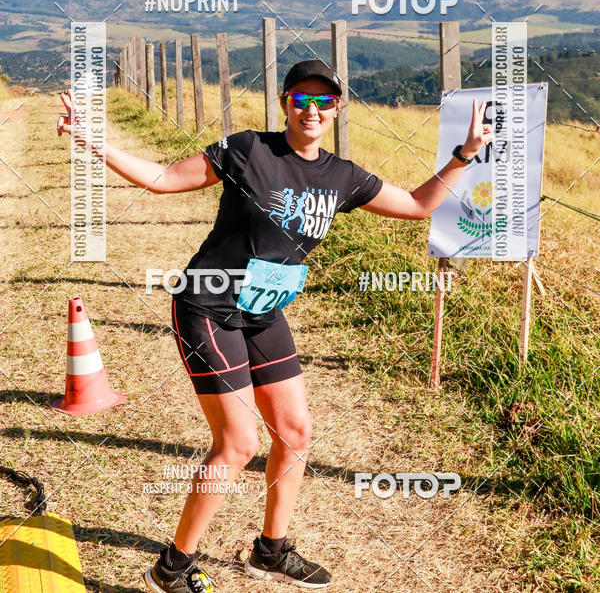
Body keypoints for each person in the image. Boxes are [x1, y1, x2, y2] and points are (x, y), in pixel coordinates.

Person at [56, 58, 492, 592]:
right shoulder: (248, 150)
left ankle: (271, 550)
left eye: (324, 102)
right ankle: (172, 566)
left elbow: (420, 204)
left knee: (295, 432)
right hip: (207, 305)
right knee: (237, 444)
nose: (312, 110)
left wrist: (465, 154)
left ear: (336, 110)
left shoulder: (343, 176)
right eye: (301, 100)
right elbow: (164, 179)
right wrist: (91, 141)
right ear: (285, 103)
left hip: (264, 310)